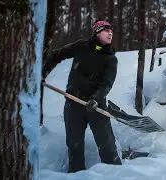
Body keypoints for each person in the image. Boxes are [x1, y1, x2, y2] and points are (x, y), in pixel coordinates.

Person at [42, 20, 122, 173]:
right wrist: (42, 72)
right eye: (106, 30)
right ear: (96, 32)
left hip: (96, 106)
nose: (110, 33)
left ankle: (116, 174)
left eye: (111, 31)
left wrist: (95, 99)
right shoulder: (81, 47)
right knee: (74, 146)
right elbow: (57, 55)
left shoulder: (111, 58)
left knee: (107, 145)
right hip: (73, 104)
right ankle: (76, 175)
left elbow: (107, 83)